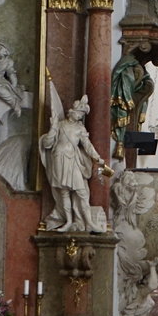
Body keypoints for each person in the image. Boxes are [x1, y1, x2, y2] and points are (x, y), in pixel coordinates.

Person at [40, 95, 108, 232]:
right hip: (59, 159)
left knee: (82, 192)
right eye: (80, 113)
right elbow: (47, 144)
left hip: (73, 161)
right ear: (73, 111)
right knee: (64, 192)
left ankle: (89, 222)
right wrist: (53, 128)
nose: (80, 116)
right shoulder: (59, 125)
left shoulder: (80, 129)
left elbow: (87, 146)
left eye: (82, 115)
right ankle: (68, 222)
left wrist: (97, 158)